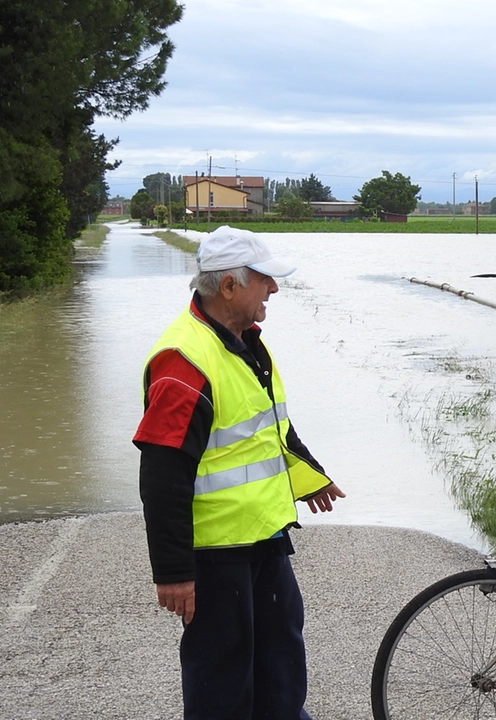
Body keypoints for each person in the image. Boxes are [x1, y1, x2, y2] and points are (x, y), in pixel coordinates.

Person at [133, 225, 345, 719]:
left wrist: (310, 474)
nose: (274, 289)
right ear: (228, 286)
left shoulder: (245, 341)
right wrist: (173, 573)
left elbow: (270, 426)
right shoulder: (184, 362)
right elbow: (162, 475)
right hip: (215, 557)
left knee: (281, 670)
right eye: (264, 279)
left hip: (265, 539)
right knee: (223, 688)